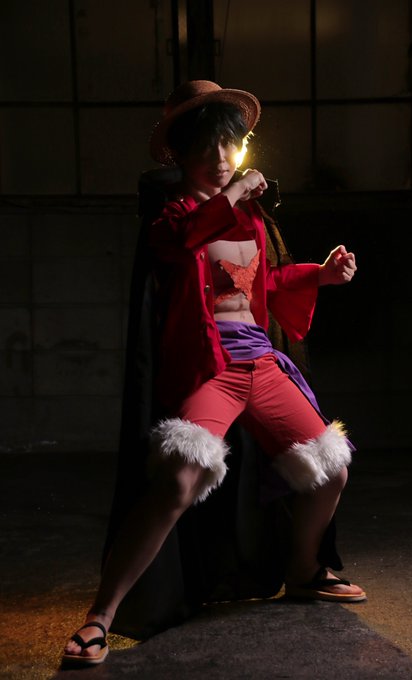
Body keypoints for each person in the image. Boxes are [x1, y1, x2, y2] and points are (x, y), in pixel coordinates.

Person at [62, 80, 365, 667]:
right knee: (179, 482)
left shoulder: (249, 218)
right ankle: (101, 615)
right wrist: (232, 196)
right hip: (211, 368)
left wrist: (321, 274)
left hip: (259, 363)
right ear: (180, 154)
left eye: (229, 145)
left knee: (331, 467)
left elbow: (259, 285)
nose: (222, 159)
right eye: (206, 147)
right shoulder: (172, 214)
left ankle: (303, 571)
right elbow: (181, 242)